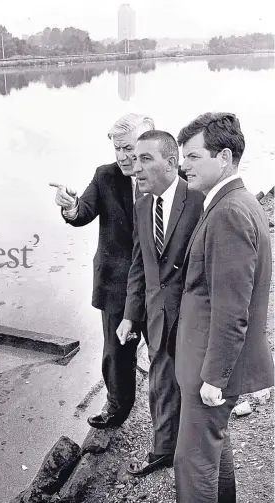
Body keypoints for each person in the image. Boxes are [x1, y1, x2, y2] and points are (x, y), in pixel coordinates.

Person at [174, 112, 274, 503]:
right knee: (213, 449)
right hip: (207, 365)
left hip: (209, 369)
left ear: (225, 157)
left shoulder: (229, 212)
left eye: (193, 157)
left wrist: (214, 378)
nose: (183, 166)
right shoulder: (233, 202)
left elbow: (232, 309)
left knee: (193, 463)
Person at [49, 113, 154, 429]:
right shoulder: (105, 176)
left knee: (166, 351)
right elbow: (82, 213)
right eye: (117, 149)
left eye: (128, 148)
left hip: (160, 285)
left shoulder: (170, 176)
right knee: (116, 351)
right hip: (115, 285)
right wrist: (69, 205)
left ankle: (170, 416)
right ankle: (116, 408)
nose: (121, 157)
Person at [117, 130, 204, 475]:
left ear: (171, 164)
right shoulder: (142, 205)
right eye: (134, 159)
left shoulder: (198, 199)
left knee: (194, 386)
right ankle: (163, 450)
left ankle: (193, 454)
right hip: (156, 315)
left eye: (144, 159)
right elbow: (140, 264)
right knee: (160, 382)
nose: (134, 167)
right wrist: (129, 316)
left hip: (193, 317)